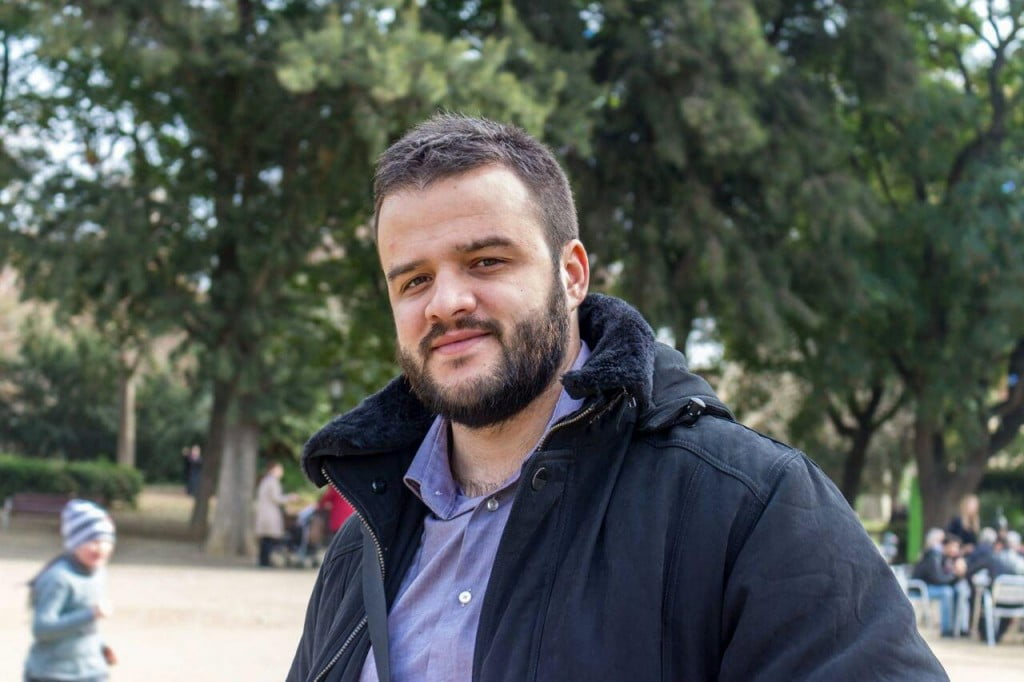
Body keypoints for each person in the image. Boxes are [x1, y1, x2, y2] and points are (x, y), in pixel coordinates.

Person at [287, 115, 946, 681]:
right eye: (413, 281)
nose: (446, 302)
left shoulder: (747, 506)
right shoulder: (363, 548)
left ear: (572, 275)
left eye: (486, 261)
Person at [24, 499, 118, 682]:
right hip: (53, 673)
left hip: (91, 669)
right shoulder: (59, 578)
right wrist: (90, 614)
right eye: (92, 540)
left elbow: (84, 625)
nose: (101, 548)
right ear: (75, 542)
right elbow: (42, 628)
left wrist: (100, 647)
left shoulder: (97, 572)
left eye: (106, 541)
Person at [912, 529, 967, 637]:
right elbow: (937, 578)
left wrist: (957, 574)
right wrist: (955, 575)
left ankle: (959, 627)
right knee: (947, 592)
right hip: (922, 588)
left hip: (932, 586)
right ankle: (946, 629)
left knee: (961, 589)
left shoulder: (943, 556)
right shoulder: (933, 555)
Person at [255, 461, 298, 567]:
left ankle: (263, 560)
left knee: (266, 538)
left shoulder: (266, 480)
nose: (281, 472)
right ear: (273, 470)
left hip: (264, 512)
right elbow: (276, 498)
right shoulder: (272, 481)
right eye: (279, 469)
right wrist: (290, 498)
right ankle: (265, 561)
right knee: (269, 538)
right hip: (270, 513)